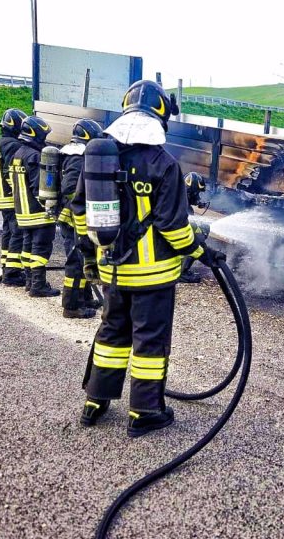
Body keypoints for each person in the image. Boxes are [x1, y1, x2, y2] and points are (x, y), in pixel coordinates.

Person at [71, 79, 205, 438]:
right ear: (160, 114)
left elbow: (80, 214)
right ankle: (145, 412)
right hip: (153, 276)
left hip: (112, 269)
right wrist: (198, 249)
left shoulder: (100, 156)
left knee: (113, 331)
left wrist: (91, 255)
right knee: (149, 341)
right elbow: (172, 226)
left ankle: (95, 401)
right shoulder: (163, 163)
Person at [57, 118, 104, 319]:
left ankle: (84, 298)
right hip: (72, 217)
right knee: (76, 261)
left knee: (83, 257)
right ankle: (71, 306)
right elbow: (69, 188)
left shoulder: (72, 152)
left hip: (73, 216)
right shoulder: (77, 156)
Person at [10, 115, 61, 297]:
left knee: (28, 246)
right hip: (38, 213)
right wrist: (51, 206)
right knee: (41, 248)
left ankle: (30, 282)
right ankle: (38, 285)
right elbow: (38, 186)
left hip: (22, 213)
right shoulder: (34, 156)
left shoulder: (18, 154)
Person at [0, 109, 28, 286]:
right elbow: (11, 172)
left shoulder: (0, 142)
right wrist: (21, 194)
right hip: (11, 196)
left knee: (8, 231)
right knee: (17, 233)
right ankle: (12, 274)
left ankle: (6, 265)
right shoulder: (12, 145)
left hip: (1, 196)